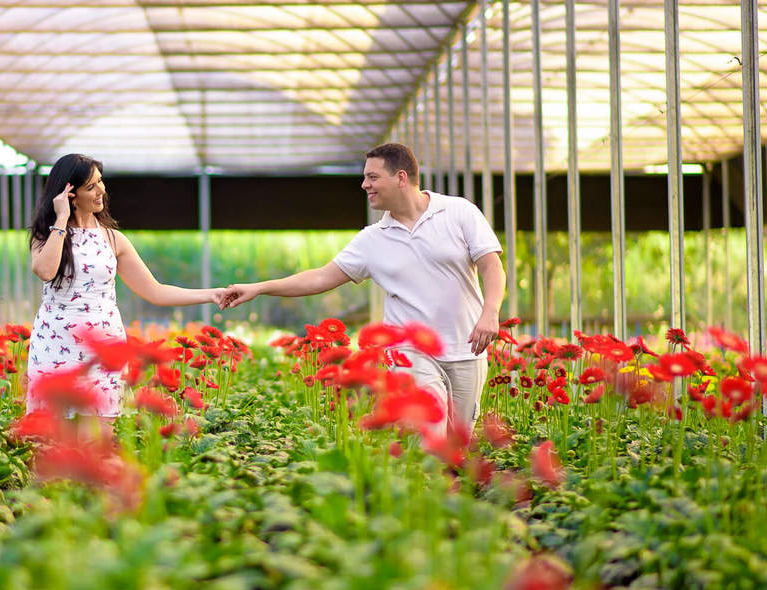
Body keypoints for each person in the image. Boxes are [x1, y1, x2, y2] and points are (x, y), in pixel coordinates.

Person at [221, 143, 505, 436]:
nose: (364, 184)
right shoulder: (372, 239)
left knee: (458, 442)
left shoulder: (459, 212)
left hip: (466, 348)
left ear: (401, 178)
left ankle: (442, 481)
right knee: (429, 430)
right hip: (408, 351)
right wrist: (260, 288)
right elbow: (320, 278)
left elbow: (491, 266)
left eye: (372, 177)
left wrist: (490, 313)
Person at [27, 153, 227, 417]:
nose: (101, 191)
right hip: (55, 346)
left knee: (98, 442)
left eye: (100, 182)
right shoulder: (47, 234)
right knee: (50, 442)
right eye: (91, 187)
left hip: (103, 348)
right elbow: (44, 270)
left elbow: (155, 291)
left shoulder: (113, 239)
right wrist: (61, 219)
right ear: (70, 195)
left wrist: (212, 294)